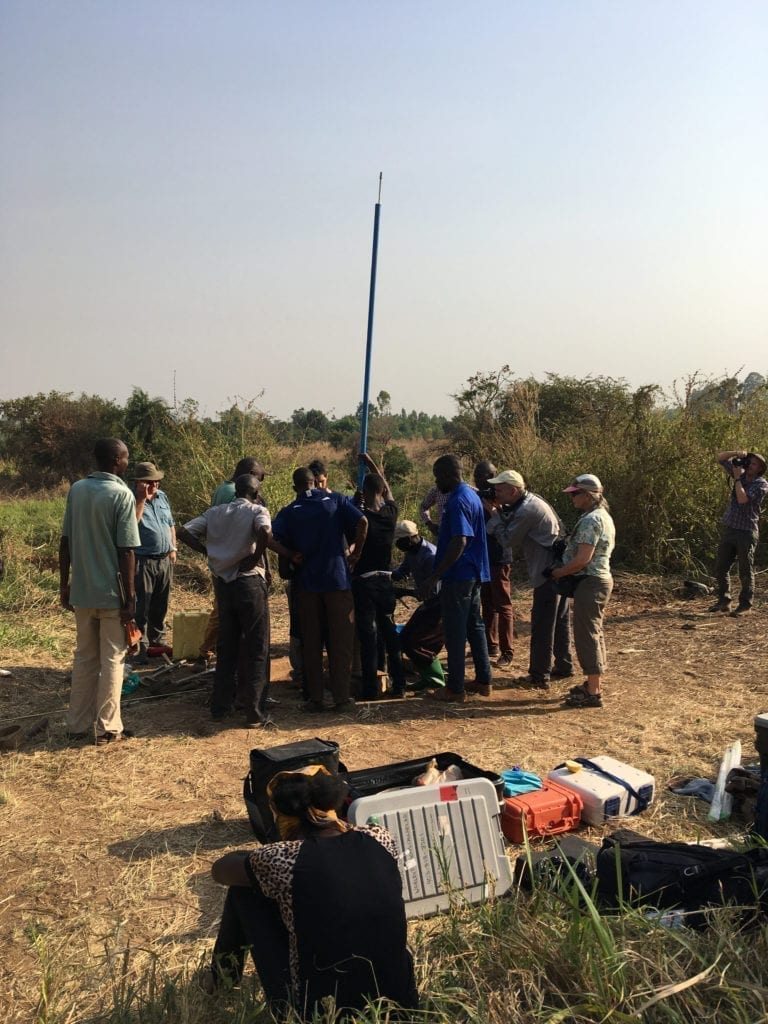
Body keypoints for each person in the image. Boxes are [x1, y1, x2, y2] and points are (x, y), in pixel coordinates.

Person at [205, 766, 418, 1020]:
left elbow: (220, 870)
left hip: (319, 1013)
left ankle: (220, 981)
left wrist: (256, 857)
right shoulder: (380, 838)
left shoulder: (282, 859)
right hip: (401, 1007)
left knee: (245, 892)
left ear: (282, 817)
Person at [177, 474, 299, 728]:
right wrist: (254, 560)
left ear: (236, 492)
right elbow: (265, 532)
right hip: (248, 583)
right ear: (255, 494)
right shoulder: (257, 510)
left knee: (227, 646)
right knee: (256, 646)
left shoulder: (215, 512)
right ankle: (254, 710)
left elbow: (184, 531)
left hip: (223, 583)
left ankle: (220, 707)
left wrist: (208, 553)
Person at [58, 438, 141, 744]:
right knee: (112, 660)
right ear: (116, 460)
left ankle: (77, 726)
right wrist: (130, 599)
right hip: (111, 594)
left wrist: (63, 585)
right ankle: (108, 728)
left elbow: (65, 542)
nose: (127, 462)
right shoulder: (121, 494)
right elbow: (127, 551)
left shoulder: (77, 490)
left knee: (84, 658)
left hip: (82, 591)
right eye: (126, 458)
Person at [272, 468, 368, 711]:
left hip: (307, 586)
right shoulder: (335, 501)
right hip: (337, 582)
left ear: (295, 488)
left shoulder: (289, 512)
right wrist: (355, 554)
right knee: (341, 642)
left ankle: (315, 699)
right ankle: (341, 698)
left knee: (312, 644)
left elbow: (267, 535)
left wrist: (289, 554)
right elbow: (363, 522)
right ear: (315, 483)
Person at [485, 470, 573, 689]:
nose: (495, 492)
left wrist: (493, 516)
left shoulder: (527, 510)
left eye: (499, 489)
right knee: (559, 621)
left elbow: (507, 540)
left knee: (542, 624)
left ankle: (538, 676)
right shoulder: (531, 500)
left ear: (513, 490)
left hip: (547, 573)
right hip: (558, 569)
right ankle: (564, 665)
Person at [419, 455, 491, 702]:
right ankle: (484, 680)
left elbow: (460, 540)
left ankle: (455, 688)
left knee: (455, 632)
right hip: (473, 573)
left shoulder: (458, 500)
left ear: (450, 475)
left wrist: (435, 576)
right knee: (475, 626)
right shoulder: (472, 496)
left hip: (458, 575)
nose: (436, 482)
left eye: (438, 476)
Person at [551, 473, 615, 709]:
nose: (572, 498)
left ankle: (593, 690)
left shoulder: (591, 521)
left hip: (591, 582)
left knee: (586, 634)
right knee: (594, 631)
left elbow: (582, 560)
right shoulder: (602, 516)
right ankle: (593, 683)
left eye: (576, 494)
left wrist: (558, 573)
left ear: (588, 496)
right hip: (597, 581)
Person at [200, 458, 269, 660]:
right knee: (227, 613)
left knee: (222, 609)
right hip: (238, 567)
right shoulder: (235, 495)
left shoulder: (223, 489)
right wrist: (258, 559)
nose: (260, 485)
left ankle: (217, 654)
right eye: (259, 478)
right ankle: (210, 650)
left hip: (222, 561)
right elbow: (256, 531)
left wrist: (210, 551)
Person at [352, 453, 407, 700]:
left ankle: (371, 690)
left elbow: (352, 522)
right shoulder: (390, 514)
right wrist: (372, 463)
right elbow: (388, 490)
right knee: (389, 634)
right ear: (380, 491)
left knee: (368, 637)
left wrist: (356, 503)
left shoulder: (361, 518)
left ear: (364, 491)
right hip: (385, 581)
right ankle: (400, 686)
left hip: (364, 582)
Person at [709, 450, 768, 617]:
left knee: (745, 569)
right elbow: (720, 458)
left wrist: (736, 478)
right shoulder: (740, 474)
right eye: (749, 461)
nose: (749, 465)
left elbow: (743, 499)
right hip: (730, 528)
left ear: (760, 469)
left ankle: (745, 604)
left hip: (747, 531)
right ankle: (724, 600)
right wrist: (737, 453)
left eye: (754, 463)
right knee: (721, 567)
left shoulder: (761, 484)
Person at [131, 461, 176, 664]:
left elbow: (170, 524)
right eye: (149, 482)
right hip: (143, 560)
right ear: (139, 483)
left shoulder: (163, 497)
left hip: (164, 559)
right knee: (142, 607)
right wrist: (142, 498)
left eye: (156, 481)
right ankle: (140, 648)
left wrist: (173, 548)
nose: (154, 485)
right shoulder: (131, 499)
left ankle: (158, 644)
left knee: (161, 604)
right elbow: (131, 525)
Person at [392, 521, 445, 689]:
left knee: (416, 642)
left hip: (439, 606)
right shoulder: (412, 552)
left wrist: (404, 592)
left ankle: (435, 679)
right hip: (430, 605)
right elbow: (401, 572)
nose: (397, 545)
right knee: (405, 638)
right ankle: (426, 677)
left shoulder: (429, 556)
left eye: (399, 542)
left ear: (409, 539)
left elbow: (432, 592)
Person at [474, 460, 514, 668]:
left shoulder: (503, 498)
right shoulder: (477, 496)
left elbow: (508, 526)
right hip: (484, 558)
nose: (482, 481)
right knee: (487, 604)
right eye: (479, 476)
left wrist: (492, 509)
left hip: (499, 557)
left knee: (503, 605)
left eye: (486, 476)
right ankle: (491, 645)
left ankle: (507, 652)